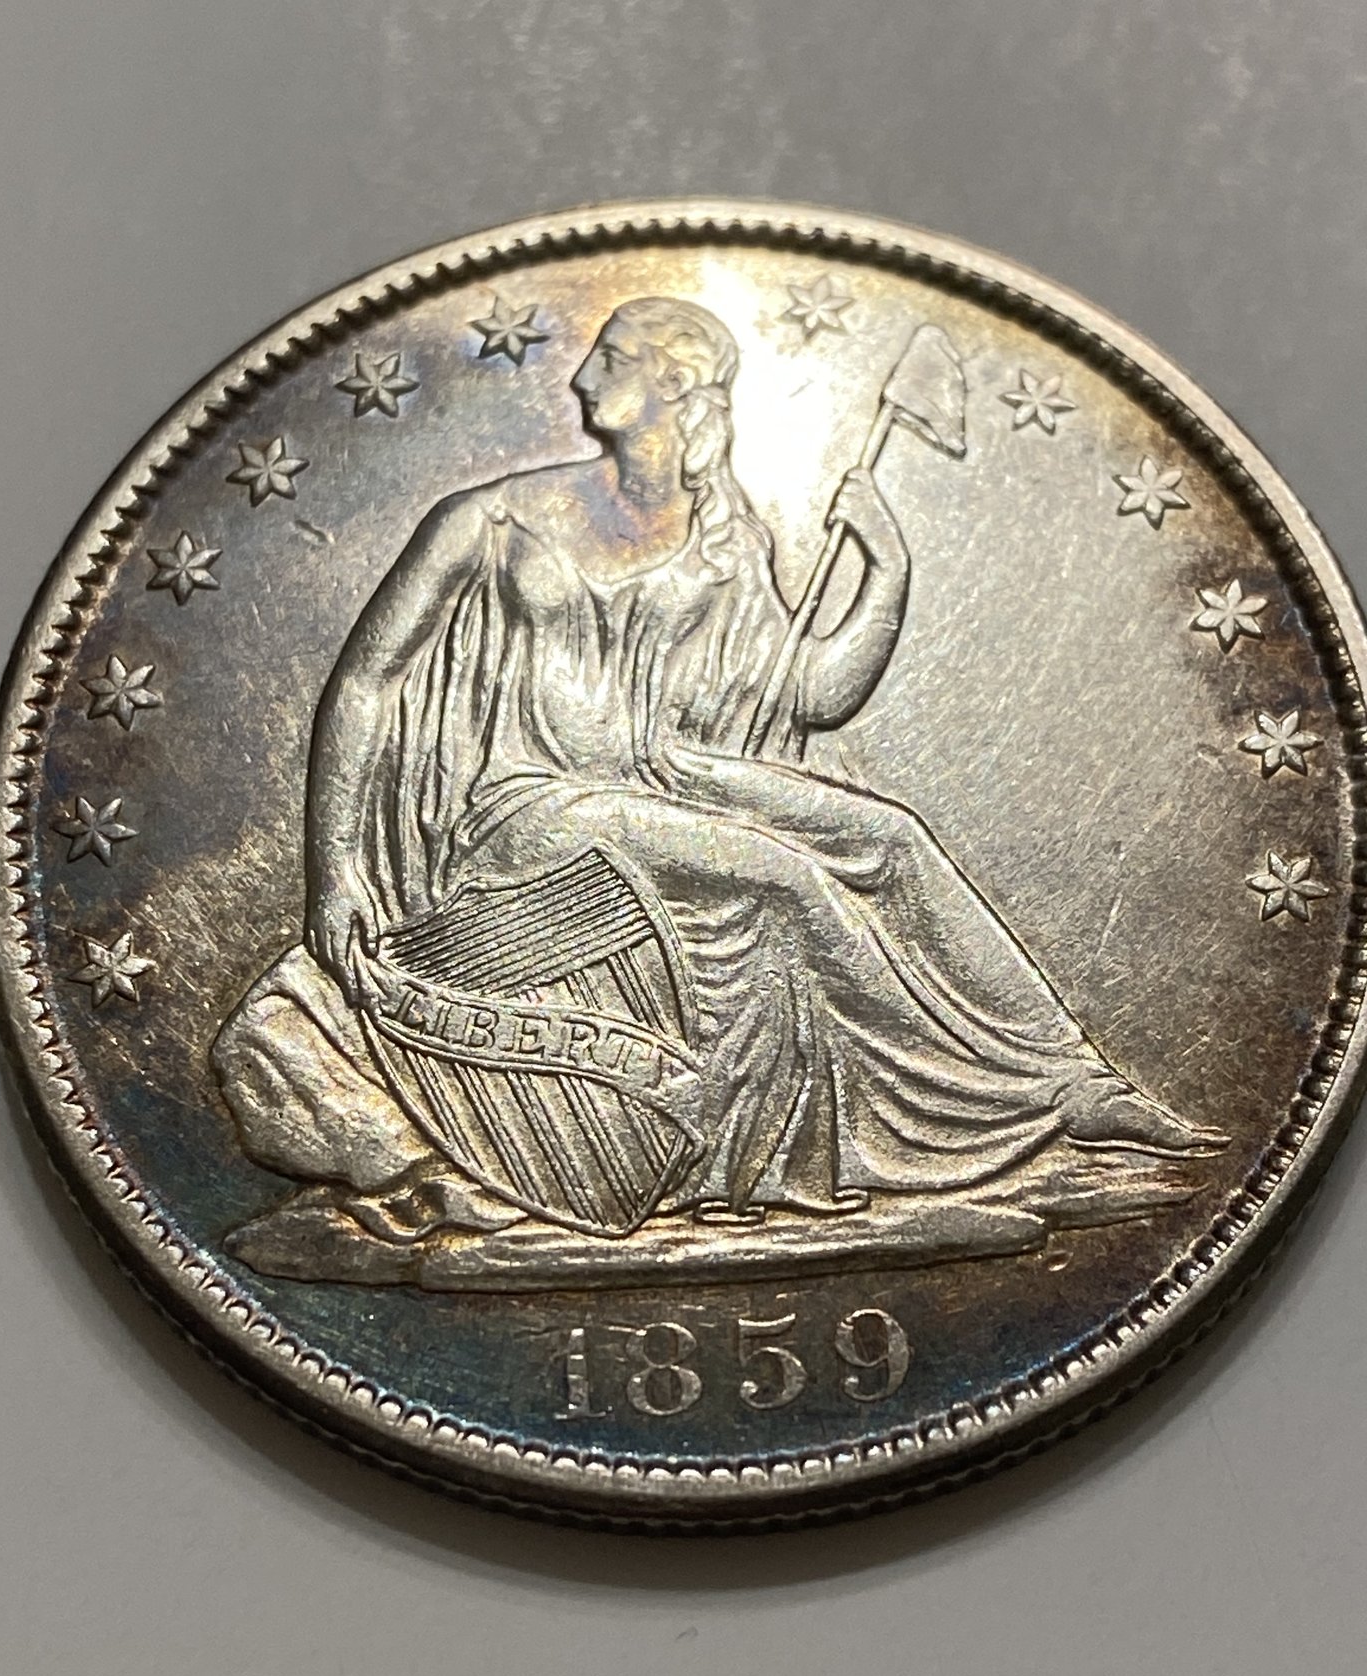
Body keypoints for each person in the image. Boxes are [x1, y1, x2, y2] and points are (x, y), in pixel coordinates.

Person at [213, 295, 1220, 1248]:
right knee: (788, 877)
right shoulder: (490, 520)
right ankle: (1000, 1105)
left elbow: (812, 693)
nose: (582, 379)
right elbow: (368, 682)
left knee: (890, 836)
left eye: (611, 359)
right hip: (525, 807)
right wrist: (336, 869)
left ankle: (1073, 1079)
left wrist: (886, 573)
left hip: (664, 778)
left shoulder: (726, 544)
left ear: (676, 388)